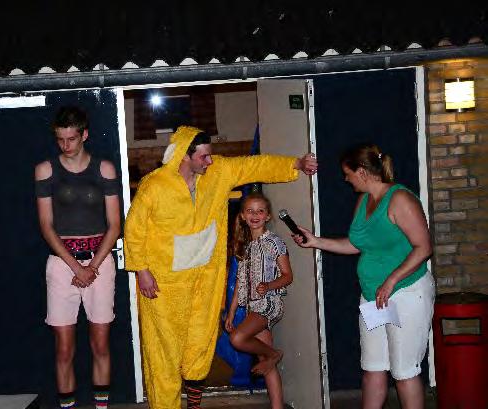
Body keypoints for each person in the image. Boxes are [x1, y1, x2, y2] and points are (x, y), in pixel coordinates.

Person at [124, 125, 317, 409]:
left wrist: (295, 164)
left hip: (204, 280)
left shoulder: (218, 173)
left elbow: (255, 165)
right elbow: (134, 229)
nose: (209, 161)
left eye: (210, 155)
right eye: (203, 157)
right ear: (184, 156)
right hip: (164, 285)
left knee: (200, 346)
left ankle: (194, 404)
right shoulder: (154, 186)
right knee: (163, 353)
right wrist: (141, 270)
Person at [292, 143, 434, 409]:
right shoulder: (364, 200)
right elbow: (357, 245)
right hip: (373, 295)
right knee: (372, 368)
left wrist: (391, 280)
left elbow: (424, 247)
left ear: (362, 171)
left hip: (406, 293)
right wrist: (315, 241)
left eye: (348, 173)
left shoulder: (400, 199)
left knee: (404, 372)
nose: (346, 179)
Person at [35, 106, 121, 409]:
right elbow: (46, 226)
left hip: (100, 260)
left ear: (84, 134)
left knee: (100, 344)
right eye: (60, 139)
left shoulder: (104, 169)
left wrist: (92, 267)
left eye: (71, 139)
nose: (65, 145)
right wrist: (76, 266)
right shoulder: (45, 170)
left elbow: (115, 225)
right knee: (64, 349)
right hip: (62, 265)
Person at [224, 192, 293, 409]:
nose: (255, 215)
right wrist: (233, 312)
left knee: (237, 338)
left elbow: (288, 275)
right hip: (253, 306)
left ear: (268, 215)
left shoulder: (274, 242)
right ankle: (277, 405)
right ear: (243, 215)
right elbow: (240, 284)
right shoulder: (245, 247)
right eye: (250, 211)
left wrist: (269, 285)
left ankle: (276, 354)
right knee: (266, 361)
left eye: (260, 211)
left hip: (269, 305)